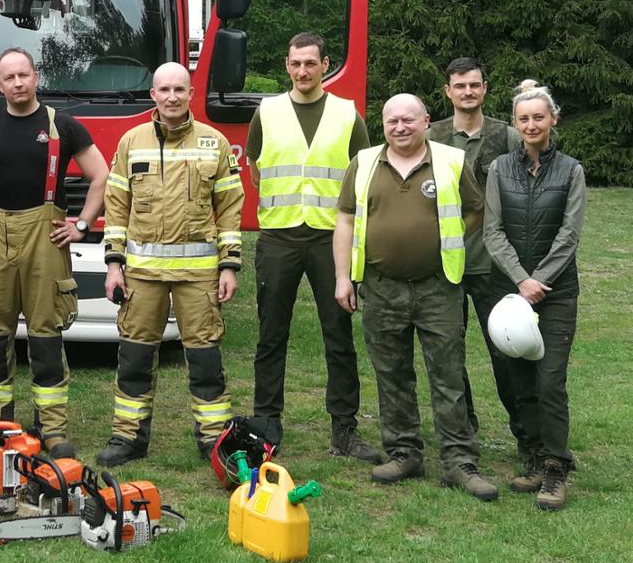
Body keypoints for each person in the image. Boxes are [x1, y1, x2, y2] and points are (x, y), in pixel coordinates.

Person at [333, 93, 498, 501]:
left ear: (426, 121)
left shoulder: (449, 161)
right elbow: (346, 219)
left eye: (409, 119)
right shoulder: (365, 162)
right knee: (391, 375)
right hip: (380, 285)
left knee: (448, 375)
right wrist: (342, 278)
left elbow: (475, 210)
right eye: (392, 121)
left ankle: (459, 461)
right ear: (383, 124)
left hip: (437, 286)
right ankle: (404, 452)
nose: (400, 127)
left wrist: (447, 241)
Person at [0, 48, 107, 458]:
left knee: (46, 335)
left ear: (36, 77)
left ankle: (53, 429)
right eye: (10, 77)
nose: (18, 83)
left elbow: (102, 176)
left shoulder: (63, 126)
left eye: (24, 75)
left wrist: (80, 225)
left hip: (47, 236)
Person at [95, 63, 241, 467]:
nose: (172, 96)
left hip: (199, 275)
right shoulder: (131, 142)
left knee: (206, 359)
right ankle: (128, 438)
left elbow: (229, 210)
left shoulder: (215, 143)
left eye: (180, 89)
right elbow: (117, 207)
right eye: (165, 90)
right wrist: (113, 264)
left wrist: (229, 266)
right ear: (153, 96)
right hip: (142, 275)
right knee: (135, 359)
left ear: (191, 93)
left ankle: (214, 441)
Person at [245, 33, 380, 461]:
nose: (302, 71)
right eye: (294, 63)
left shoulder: (346, 114)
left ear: (325, 65)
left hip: (330, 239)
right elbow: (255, 170)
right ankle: (267, 428)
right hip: (279, 237)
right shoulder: (266, 112)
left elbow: (363, 173)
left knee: (338, 336)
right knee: (270, 337)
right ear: (286, 66)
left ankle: (344, 430)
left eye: (310, 63)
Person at [483, 80, 586, 511]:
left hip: (555, 292)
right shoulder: (499, 169)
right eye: (523, 118)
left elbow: (570, 233)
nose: (531, 124)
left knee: (549, 381)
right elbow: (493, 231)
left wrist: (538, 281)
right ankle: (534, 458)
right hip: (508, 289)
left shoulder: (571, 170)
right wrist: (520, 280)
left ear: (553, 120)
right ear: (515, 122)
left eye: (538, 117)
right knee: (517, 380)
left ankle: (556, 468)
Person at [428, 57, 528, 462]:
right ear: (448, 92)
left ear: (485, 89)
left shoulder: (508, 138)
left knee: (507, 354)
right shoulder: (429, 136)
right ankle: (462, 433)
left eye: (474, 85)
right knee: (448, 356)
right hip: (443, 265)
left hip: (494, 266)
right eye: (459, 85)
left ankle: (527, 435)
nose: (467, 92)